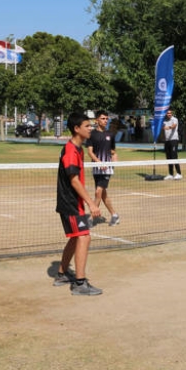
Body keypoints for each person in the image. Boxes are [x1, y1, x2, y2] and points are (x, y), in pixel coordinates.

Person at [55, 112, 103, 296]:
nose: (90, 128)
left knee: (76, 237)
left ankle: (61, 274)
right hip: (70, 203)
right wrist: (92, 203)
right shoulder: (70, 150)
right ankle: (79, 284)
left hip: (75, 202)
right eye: (87, 126)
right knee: (84, 237)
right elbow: (74, 180)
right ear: (76, 129)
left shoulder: (79, 149)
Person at [86, 110, 119, 226]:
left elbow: (113, 151)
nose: (105, 121)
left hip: (107, 169)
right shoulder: (92, 135)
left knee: (98, 192)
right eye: (103, 118)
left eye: (106, 119)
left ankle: (90, 219)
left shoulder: (110, 135)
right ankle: (114, 215)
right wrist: (99, 163)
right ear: (97, 120)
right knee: (103, 194)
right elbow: (90, 152)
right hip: (96, 168)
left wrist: (115, 161)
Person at [162, 109, 182, 180]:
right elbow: (162, 129)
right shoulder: (164, 121)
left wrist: (168, 127)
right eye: (168, 113)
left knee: (174, 156)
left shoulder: (174, 119)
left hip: (174, 140)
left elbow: (174, 126)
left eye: (170, 113)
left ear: (172, 113)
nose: (169, 114)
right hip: (167, 141)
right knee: (168, 158)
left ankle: (179, 173)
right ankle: (170, 174)